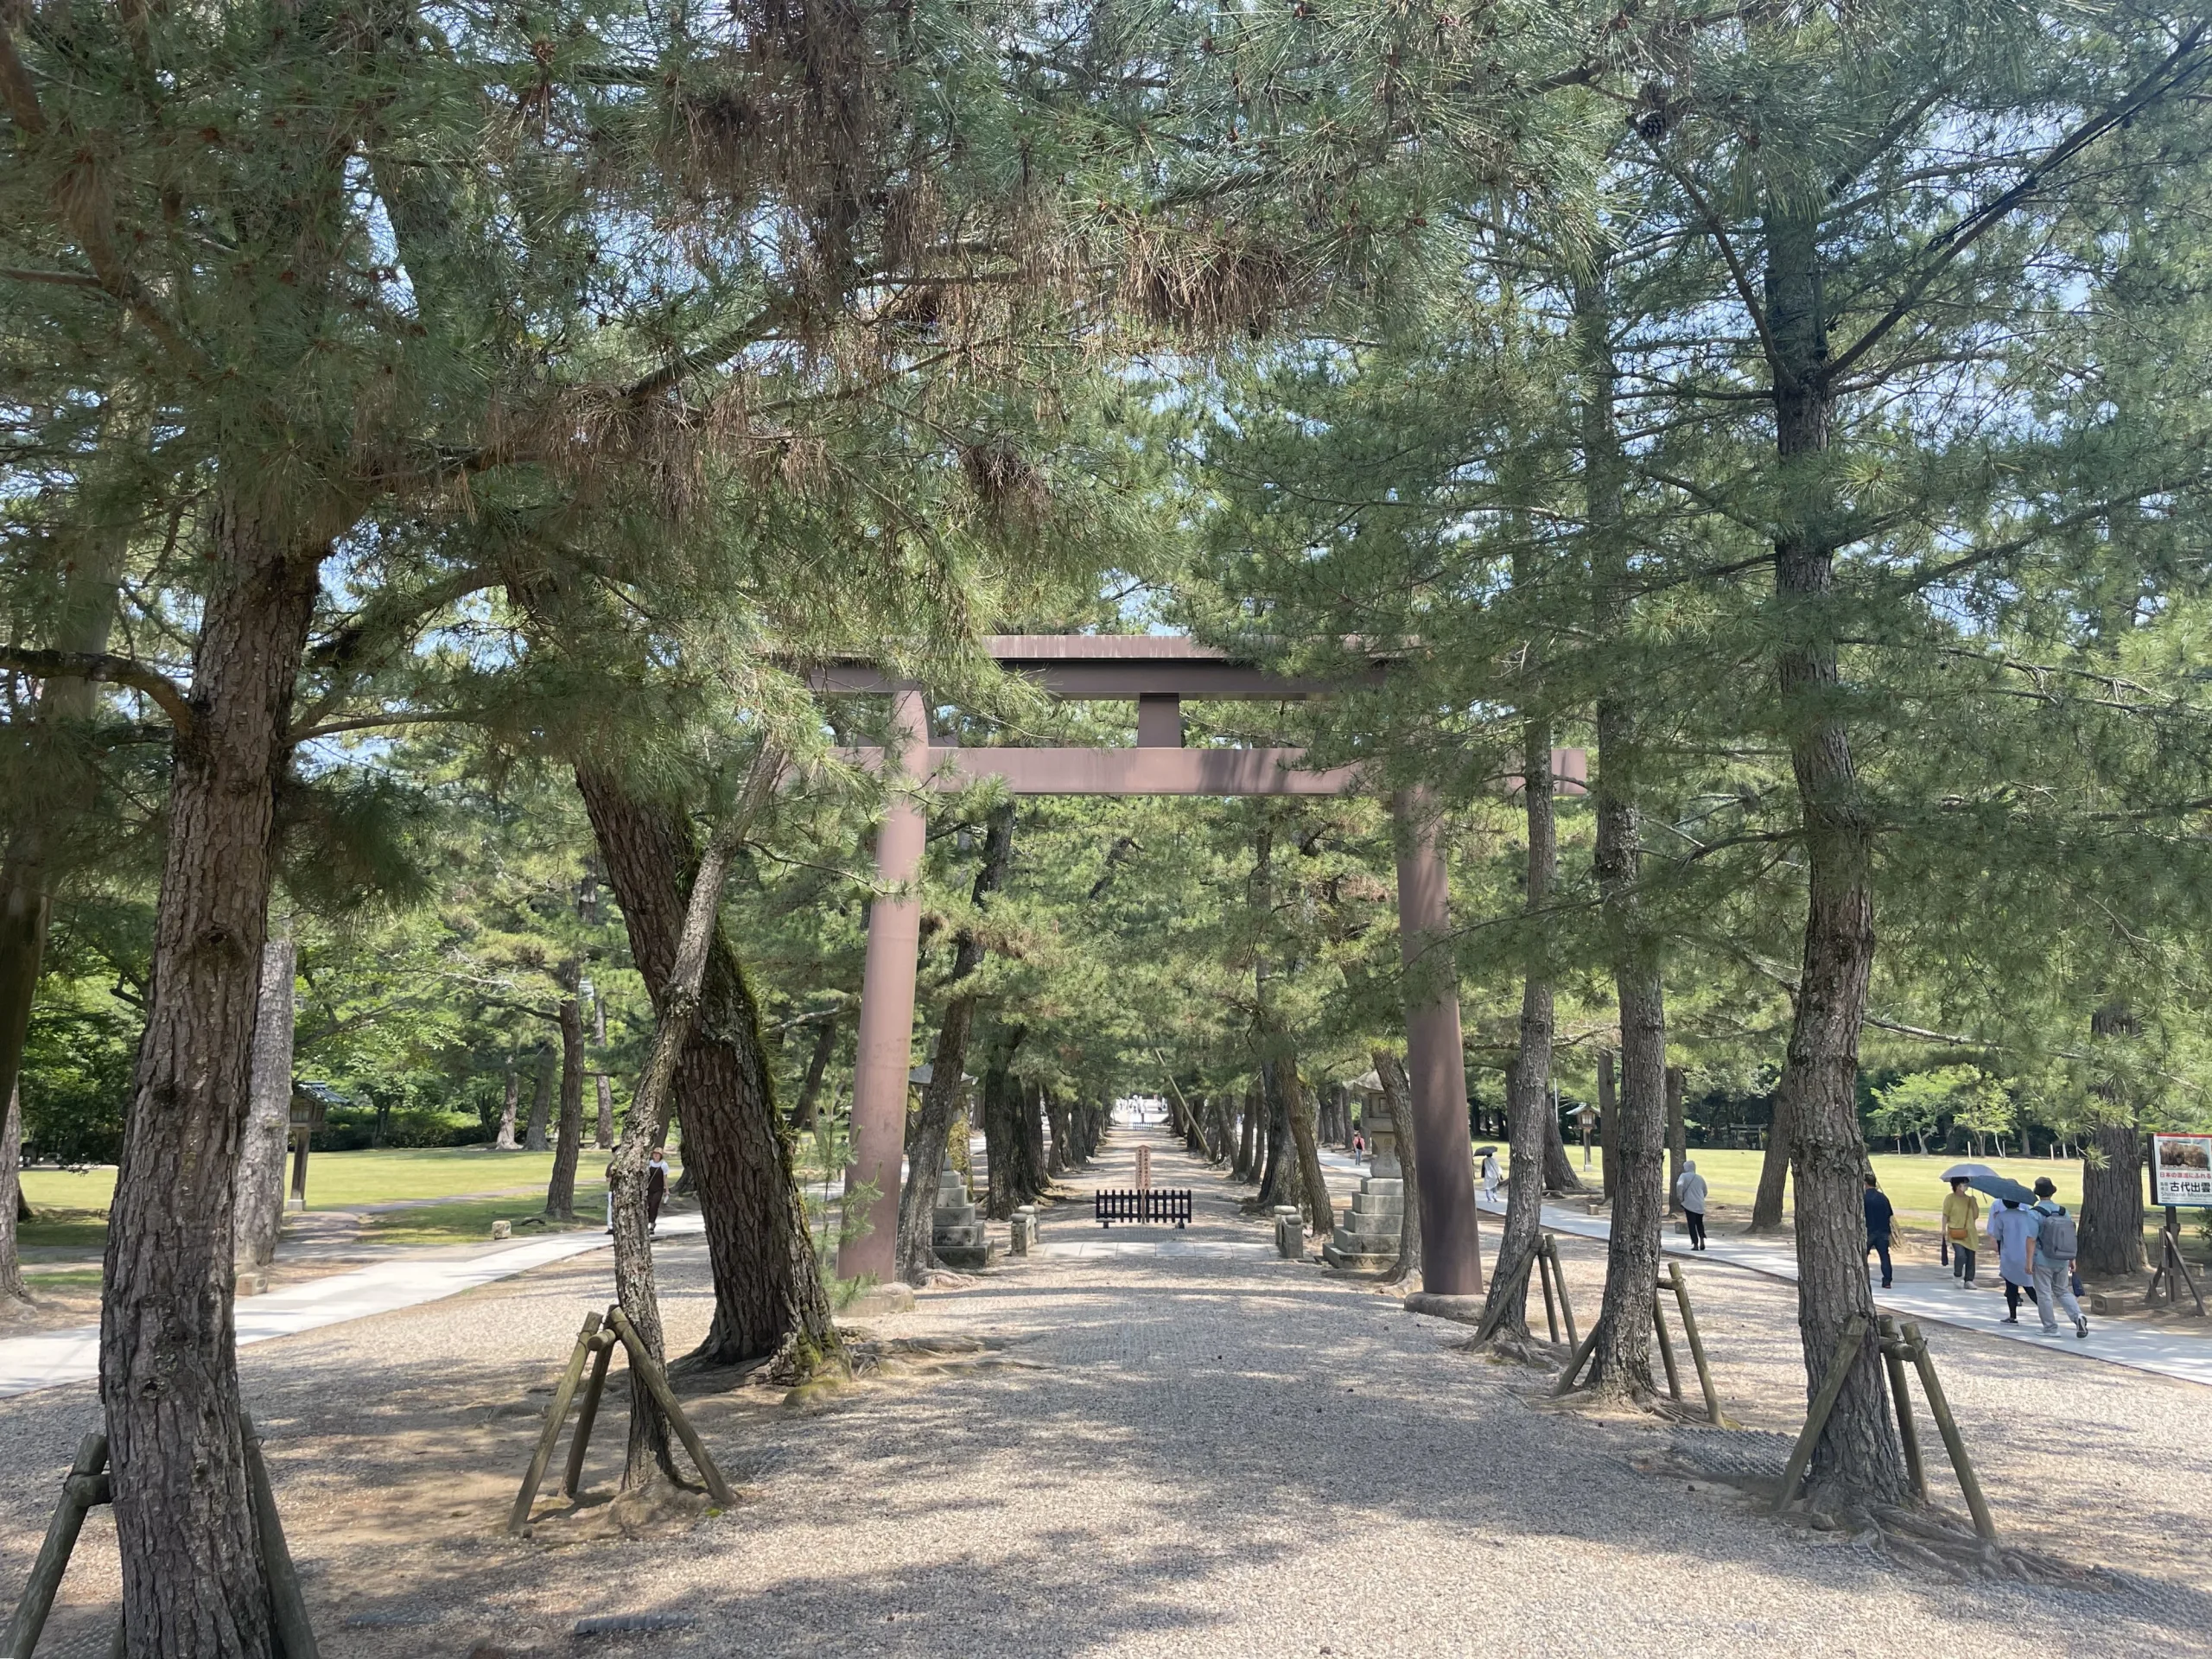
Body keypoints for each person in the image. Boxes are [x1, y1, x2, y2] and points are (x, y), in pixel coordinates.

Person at [2031, 1176, 2088, 1338]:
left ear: (2037, 1194)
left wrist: (2028, 1262)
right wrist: (2072, 1258)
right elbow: (2069, 1236)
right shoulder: (2063, 1211)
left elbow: (2030, 1239)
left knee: (2044, 1293)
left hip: (2042, 1259)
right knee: (2062, 1290)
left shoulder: (2034, 1213)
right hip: (2062, 1257)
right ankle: (2077, 1315)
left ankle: (2050, 1327)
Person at [1989, 1196, 2041, 1324]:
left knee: (2011, 1286)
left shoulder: (2002, 1216)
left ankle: (2012, 1315)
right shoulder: (2027, 1215)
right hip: (2025, 1254)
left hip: (2009, 1255)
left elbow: (1997, 1235)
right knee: (2030, 1286)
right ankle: (2045, 1311)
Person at [1942, 1177, 1980, 1287]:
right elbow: (1945, 1215)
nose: (1965, 1186)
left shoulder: (1970, 1199)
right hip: (1955, 1231)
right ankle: (1957, 1275)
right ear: (1956, 1185)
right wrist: (1943, 1228)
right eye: (1962, 1184)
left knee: (1970, 1256)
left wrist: (1974, 1203)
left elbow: (1975, 1216)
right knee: (1960, 1255)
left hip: (1970, 1232)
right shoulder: (1950, 1198)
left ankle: (1969, 1280)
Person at [1863, 1172, 1895, 1289]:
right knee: (1884, 1255)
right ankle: (1887, 1281)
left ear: (1865, 1184)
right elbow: (1889, 1214)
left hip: (1869, 1230)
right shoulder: (1883, 1198)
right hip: (1883, 1231)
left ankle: (1863, 1278)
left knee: (1863, 1255)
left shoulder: (1863, 1198)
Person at [1676, 1160, 1709, 1250]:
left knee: (1692, 1224)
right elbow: (1705, 1191)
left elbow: (1679, 1185)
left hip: (1689, 1204)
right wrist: (1701, 1198)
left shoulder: (1683, 1176)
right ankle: (1702, 1239)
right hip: (1700, 1204)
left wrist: (1680, 1197)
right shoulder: (1700, 1178)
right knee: (1700, 1223)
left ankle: (1695, 1244)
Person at [645, 1145, 671, 1235]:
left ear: (661, 1156)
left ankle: (652, 1224)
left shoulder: (664, 1165)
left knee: (654, 1206)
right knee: (647, 1205)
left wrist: (667, 1190)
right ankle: (647, 1222)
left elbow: (665, 1178)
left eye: (658, 1154)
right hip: (649, 1188)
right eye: (655, 1154)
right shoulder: (649, 1163)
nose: (656, 1155)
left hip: (658, 1189)